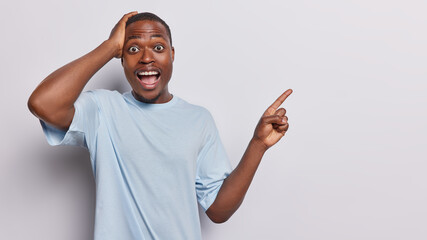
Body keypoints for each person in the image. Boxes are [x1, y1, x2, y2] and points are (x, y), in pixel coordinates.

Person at [28, 11, 293, 240]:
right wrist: (109, 46)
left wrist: (258, 145)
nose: (146, 58)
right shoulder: (103, 109)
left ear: (172, 54)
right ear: (121, 59)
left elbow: (218, 210)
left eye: (158, 47)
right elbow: (43, 103)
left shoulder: (198, 119)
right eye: (132, 49)